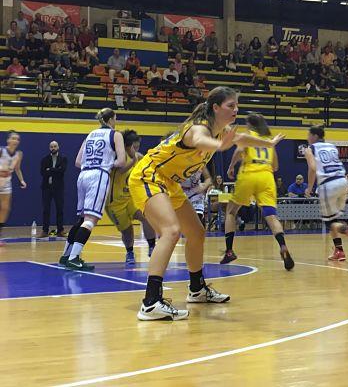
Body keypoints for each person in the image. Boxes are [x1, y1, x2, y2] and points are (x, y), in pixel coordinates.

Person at [129, 87, 282, 321]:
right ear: (216, 107)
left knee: (197, 233)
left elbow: (242, 139)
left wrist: (268, 143)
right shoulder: (197, 129)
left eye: (236, 106)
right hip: (148, 175)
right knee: (170, 231)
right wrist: (220, 147)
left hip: (169, 182)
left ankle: (197, 289)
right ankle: (150, 302)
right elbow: (200, 140)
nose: (236, 110)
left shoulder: (222, 131)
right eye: (231, 105)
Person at [220, 113, 293, 270]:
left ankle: (229, 251)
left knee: (231, 212)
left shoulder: (248, 136)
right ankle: (283, 246)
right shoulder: (268, 141)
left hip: (249, 173)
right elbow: (275, 167)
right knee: (271, 216)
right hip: (267, 176)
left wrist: (231, 166)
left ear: (250, 125)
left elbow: (238, 151)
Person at [59, 109, 126, 270]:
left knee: (82, 218)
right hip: (98, 175)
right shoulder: (115, 134)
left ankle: (66, 255)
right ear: (111, 119)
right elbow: (122, 161)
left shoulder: (90, 135)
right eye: (115, 118)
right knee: (90, 219)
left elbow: (77, 161)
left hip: (83, 175)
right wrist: (108, 164)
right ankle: (74, 257)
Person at [303, 125, 348, 261]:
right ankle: (339, 251)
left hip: (327, 185)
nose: (307, 138)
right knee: (334, 220)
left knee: (330, 223)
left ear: (314, 136)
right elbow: (337, 167)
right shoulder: (332, 146)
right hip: (342, 183)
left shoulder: (310, 149)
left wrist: (309, 188)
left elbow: (313, 168)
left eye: (308, 135)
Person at [104, 130, 157, 266]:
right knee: (127, 230)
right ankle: (130, 252)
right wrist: (133, 159)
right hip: (115, 202)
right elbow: (120, 170)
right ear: (126, 146)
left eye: (138, 147)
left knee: (147, 216)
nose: (136, 150)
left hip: (131, 198)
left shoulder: (139, 157)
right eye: (134, 147)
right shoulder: (118, 157)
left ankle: (152, 246)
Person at [0, 131, 27, 244]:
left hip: (6, 182)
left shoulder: (18, 154)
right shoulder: (1, 150)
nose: (15, 141)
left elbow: (17, 168)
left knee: (5, 209)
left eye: (17, 139)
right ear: (8, 140)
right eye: (13, 138)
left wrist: (22, 180)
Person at [39, 141, 67, 238]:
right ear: (49, 148)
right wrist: (55, 170)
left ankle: (60, 230)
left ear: (58, 147)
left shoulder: (63, 159)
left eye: (55, 146)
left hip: (58, 188)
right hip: (46, 188)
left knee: (60, 209)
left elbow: (62, 171)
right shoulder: (45, 159)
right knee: (46, 210)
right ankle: (45, 231)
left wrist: (50, 169)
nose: (53, 148)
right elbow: (43, 172)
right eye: (51, 146)